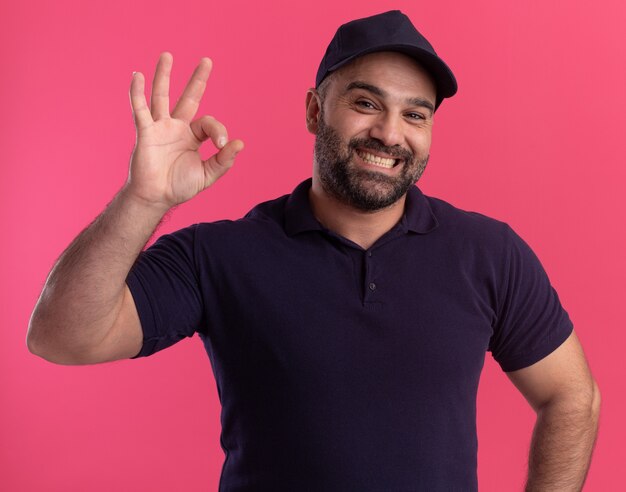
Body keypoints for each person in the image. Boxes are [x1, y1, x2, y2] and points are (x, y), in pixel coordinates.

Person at [27, 10, 600, 492]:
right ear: (313, 111)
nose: (391, 133)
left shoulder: (490, 253)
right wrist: (143, 199)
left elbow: (572, 396)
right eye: (367, 103)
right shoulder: (220, 254)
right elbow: (61, 336)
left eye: (415, 114)